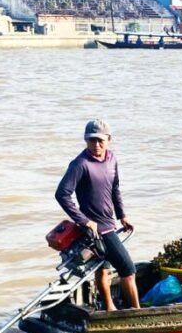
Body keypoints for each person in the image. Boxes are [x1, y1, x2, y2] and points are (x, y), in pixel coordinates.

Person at [55, 119, 141, 311]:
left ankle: (110, 309)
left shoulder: (112, 159)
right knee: (128, 270)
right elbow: (62, 194)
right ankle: (138, 312)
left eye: (100, 140)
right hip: (97, 230)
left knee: (103, 268)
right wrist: (84, 221)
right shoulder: (80, 164)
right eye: (91, 140)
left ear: (109, 139)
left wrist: (122, 215)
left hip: (110, 223)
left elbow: (115, 188)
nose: (96, 145)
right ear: (86, 140)